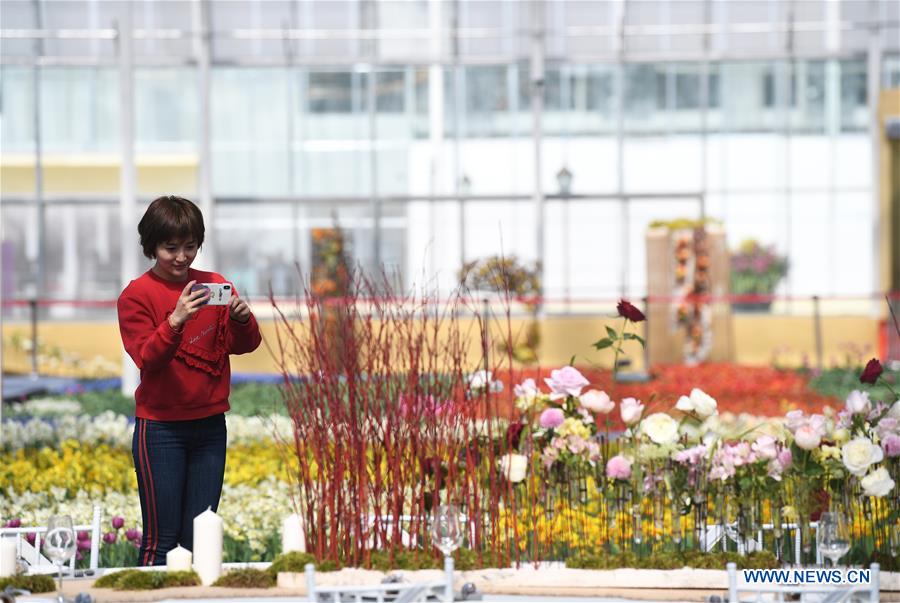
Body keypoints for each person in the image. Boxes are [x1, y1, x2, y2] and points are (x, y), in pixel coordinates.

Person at [117, 195, 261, 565]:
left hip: (210, 427)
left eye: (190, 247)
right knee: (161, 542)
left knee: (199, 541)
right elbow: (147, 358)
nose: (182, 257)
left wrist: (244, 320)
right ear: (151, 246)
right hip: (161, 430)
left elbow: (243, 345)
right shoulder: (137, 296)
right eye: (170, 248)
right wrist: (175, 320)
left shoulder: (214, 285)